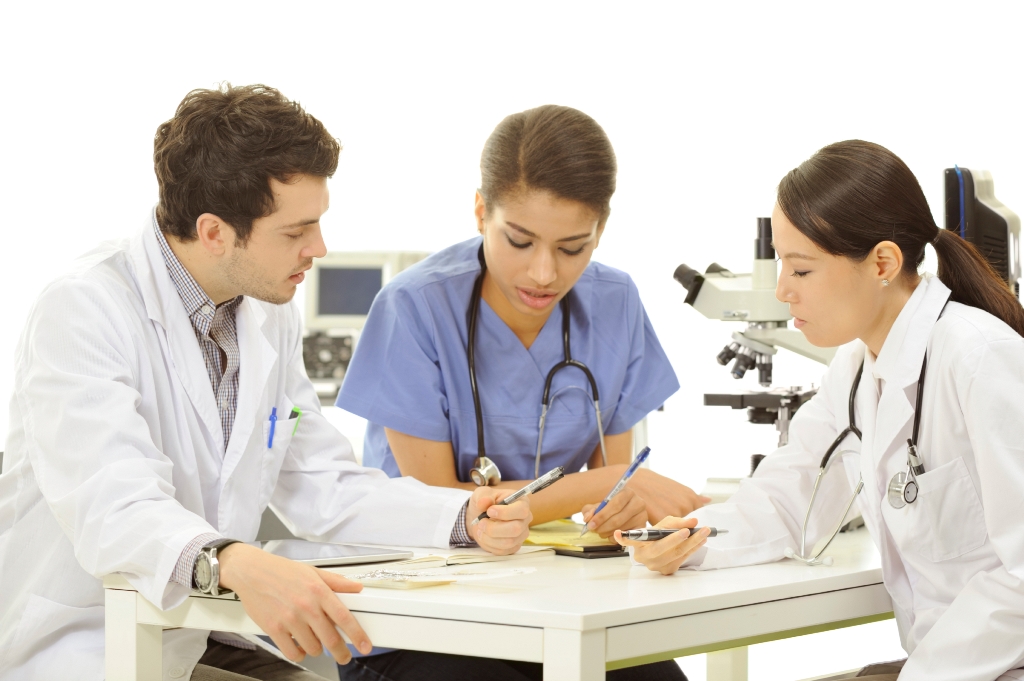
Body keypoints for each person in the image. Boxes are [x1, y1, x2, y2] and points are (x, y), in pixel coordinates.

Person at [0, 84, 531, 681]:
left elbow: (321, 482)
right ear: (214, 232)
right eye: (296, 231)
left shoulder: (266, 311)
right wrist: (234, 562)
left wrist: (463, 515)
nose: (319, 248)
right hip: (93, 640)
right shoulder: (83, 309)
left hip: (199, 629)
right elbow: (114, 507)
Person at [620, 140, 1024, 681]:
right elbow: (788, 496)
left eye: (802, 270)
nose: (782, 291)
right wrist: (689, 540)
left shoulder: (980, 358)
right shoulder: (856, 369)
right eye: (781, 265)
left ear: (883, 263)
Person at [334, 106, 698, 680]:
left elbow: (611, 496)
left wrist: (621, 508)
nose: (544, 273)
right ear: (482, 211)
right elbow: (441, 505)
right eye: (520, 241)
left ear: (601, 229)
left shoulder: (615, 301)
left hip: (554, 599)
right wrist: (604, 485)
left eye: (573, 247)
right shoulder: (415, 307)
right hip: (422, 613)